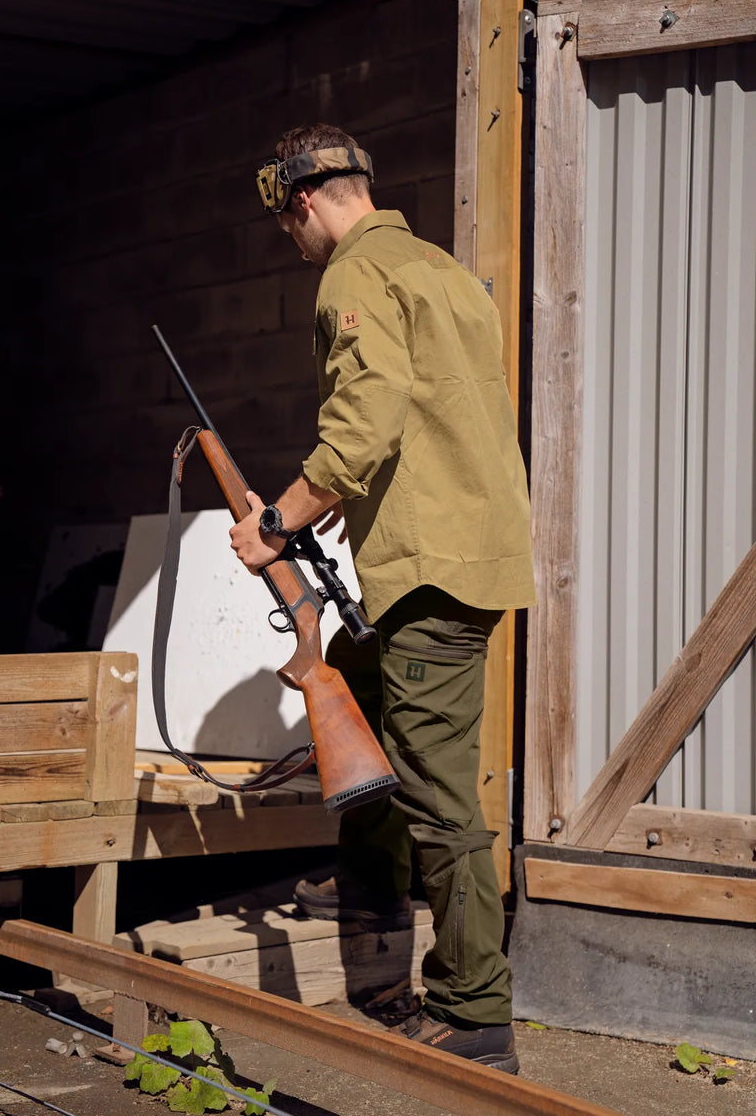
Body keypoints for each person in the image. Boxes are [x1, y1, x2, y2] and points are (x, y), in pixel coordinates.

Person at [230, 123, 535, 1073]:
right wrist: (339, 509)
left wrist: (279, 520)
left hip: (429, 570)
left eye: (289, 221)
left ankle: (476, 1009)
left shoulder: (355, 274)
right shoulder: (441, 269)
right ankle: (368, 916)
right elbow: (431, 415)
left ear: (310, 199)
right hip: (457, 554)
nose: (293, 238)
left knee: (440, 793)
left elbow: (365, 417)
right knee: (355, 711)